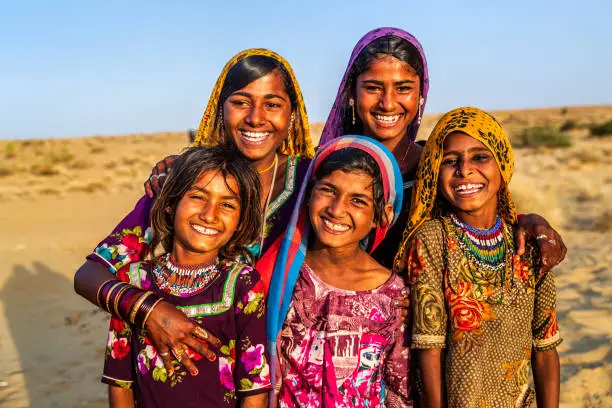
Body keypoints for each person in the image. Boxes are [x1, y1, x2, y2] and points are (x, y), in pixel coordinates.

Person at [74, 49, 315, 373]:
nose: (256, 117)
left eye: (272, 104)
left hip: (296, 379)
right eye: (241, 102)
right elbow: (89, 276)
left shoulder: (317, 184)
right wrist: (150, 310)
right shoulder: (184, 182)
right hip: (196, 373)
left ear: (292, 114)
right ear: (220, 109)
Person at [318, 27, 566, 271]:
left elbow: (483, 221)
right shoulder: (323, 168)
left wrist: (528, 221)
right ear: (351, 90)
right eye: (373, 87)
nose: (388, 103)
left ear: (421, 94)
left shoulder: (442, 168)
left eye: (403, 88)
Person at [397, 107, 561, 407]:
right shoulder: (432, 240)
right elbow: (428, 346)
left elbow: (546, 348)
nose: (465, 169)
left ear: (503, 165)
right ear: (435, 170)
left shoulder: (530, 245)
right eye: (450, 161)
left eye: (480, 157)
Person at [102, 144, 271, 407]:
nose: (209, 214)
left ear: (240, 222)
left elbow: (254, 389)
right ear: (170, 203)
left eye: (226, 204)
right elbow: (119, 384)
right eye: (198, 197)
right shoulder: (131, 282)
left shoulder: (244, 284)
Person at [264, 135, 411, 407]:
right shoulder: (279, 275)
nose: (336, 209)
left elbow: (400, 391)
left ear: (384, 215)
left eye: (358, 201)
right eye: (328, 190)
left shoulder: (394, 296)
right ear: (308, 195)